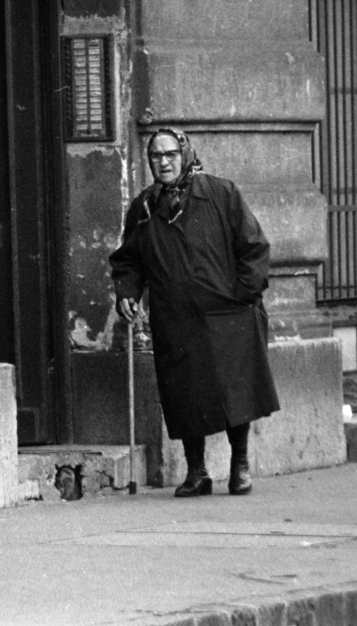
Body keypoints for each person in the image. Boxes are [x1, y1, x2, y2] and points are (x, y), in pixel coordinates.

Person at [110, 128, 280, 497]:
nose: (164, 162)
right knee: (184, 393)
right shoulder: (144, 207)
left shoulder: (221, 194)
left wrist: (243, 295)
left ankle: (240, 465)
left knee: (234, 392)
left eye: (170, 154)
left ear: (184, 154)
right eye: (156, 156)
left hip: (227, 314)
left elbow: (254, 247)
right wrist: (127, 292)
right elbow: (129, 261)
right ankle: (197, 472)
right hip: (176, 317)